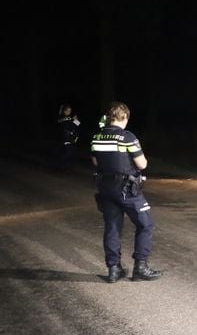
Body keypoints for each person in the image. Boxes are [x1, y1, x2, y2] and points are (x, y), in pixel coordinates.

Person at [91, 101, 162, 283]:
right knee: (146, 224)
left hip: (105, 188)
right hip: (126, 189)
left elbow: (96, 162)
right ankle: (140, 267)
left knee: (112, 228)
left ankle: (113, 269)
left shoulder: (96, 137)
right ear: (124, 117)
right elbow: (142, 164)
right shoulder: (128, 137)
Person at [57, 104, 81, 169]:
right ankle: (60, 164)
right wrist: (73, 119)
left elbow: (78, 124)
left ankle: (66, 165)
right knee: (68, 152)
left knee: (72, 151)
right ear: (64, 111)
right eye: (67, 110)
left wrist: (76, 119)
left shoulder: (70, 118)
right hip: (65, 137)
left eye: (70, 110)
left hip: (73, 137)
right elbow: (61, 121)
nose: (69, 112)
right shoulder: (61, 117)